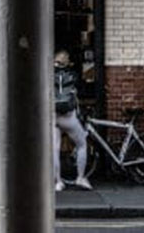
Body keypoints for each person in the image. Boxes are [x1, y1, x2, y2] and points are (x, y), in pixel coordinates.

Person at [53, 49, 93, 191]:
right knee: (82, 144)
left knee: (55, 149)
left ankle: (58, 182)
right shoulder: (73, 75)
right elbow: (82, 90)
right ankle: (80, 178)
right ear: (68, 61)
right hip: (68, 117)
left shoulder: (48, 75)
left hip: (53, 116)